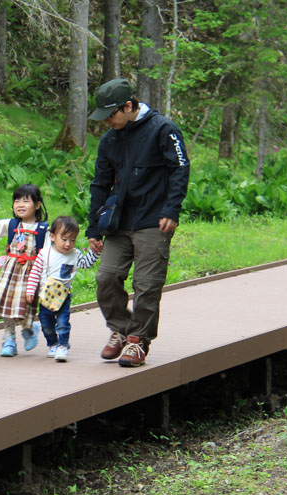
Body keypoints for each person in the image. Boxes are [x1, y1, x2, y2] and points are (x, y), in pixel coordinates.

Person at [86, 78, 189, 367]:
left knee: (146, 284)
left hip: (153, 220)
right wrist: (94, 226)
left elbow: (180, 169)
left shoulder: (163, 130)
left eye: (111, 115)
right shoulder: (110, 139)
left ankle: (138, 340)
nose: (107, 121)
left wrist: (171, 209)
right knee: (106, 277)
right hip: (119, 221)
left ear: (128, 106)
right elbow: (100, 183)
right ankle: (121, 328)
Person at [0, 184, 49, 357]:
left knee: (28, 305)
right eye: (16, 200)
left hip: (33, 274)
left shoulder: (43, 230)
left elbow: (49, 255)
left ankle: (29, 328)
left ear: (37, 205)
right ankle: (8, 338)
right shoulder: (11, 225)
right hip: (11, 273)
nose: (20, 204)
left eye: (26, 201)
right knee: (7, 305)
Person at [25, 216, 100, 362]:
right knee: (45, 323)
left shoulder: (75, 255)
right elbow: (35, 272)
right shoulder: (44, 254)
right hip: (45, 296)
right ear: (52, 237)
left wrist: (95, 253)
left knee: (63, 322)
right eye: (64, 239)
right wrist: (30, 290)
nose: (68, 244)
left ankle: (63, 346)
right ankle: (52, 343)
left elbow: (86, 264)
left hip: (63, 297)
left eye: (72, 240)